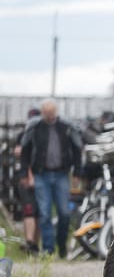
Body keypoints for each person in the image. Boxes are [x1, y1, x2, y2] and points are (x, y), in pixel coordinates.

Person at [19, 99, 82, 258]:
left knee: (64, 213)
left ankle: (61, 245)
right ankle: (48, 250)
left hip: (62, 175)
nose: (49, 116)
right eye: (46, 114)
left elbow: (77, 149)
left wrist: (77, 173)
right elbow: (25, 150)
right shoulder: (35, 127)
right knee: (45, 213)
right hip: (42, 175)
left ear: (56, 112)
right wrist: (24, 173)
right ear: (42, 113)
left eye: (51, 113)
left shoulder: (66, 127)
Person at [14, 108, 42, 255]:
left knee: (38, 212)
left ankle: (34, 245)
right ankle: (30, 243)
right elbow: (20, 154)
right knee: (29, 211)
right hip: (27, 178)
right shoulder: (24, 136)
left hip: (40, 179)